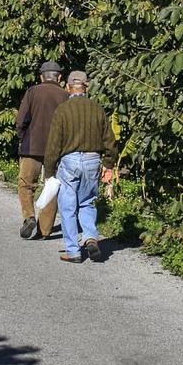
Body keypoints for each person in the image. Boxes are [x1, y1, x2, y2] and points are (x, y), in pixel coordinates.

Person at [43, 71, 117, 263]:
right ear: (87, 87)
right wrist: (108, 164)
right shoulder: (97, 109)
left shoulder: (62, 110)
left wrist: (49, 171)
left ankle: (73, 251)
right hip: (93, 160)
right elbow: (109, 140)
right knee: (87, 202)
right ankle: (90, 237)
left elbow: (53, 144)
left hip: (70, 161)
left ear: (68, 88)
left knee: (68, 208)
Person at [15, 61, 68, 239]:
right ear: (59, 77)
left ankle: (29, 216)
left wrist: (22, 138)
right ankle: (44, 230)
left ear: (41, 77)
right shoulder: (66, 96)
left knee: (26, 184)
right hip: (56, 150)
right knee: (51, 187)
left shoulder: (32, 92)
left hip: (31, 146)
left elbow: (21, 120)